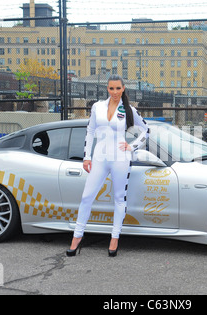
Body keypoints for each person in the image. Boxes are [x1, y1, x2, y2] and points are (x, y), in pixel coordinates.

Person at [67, 75, 149, 257]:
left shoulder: (129, 109)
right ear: (107, 89)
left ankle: (114, 237)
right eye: (111, 89)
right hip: (99, 158)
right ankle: (77, 236)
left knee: (119, 198)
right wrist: (87, 157)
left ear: (123, 88)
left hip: (120, 157)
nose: (114, 92)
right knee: (87, 196)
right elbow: (90, 130)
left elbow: (146, 130)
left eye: (118, 88)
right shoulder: (97, 107)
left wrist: (132, 146)